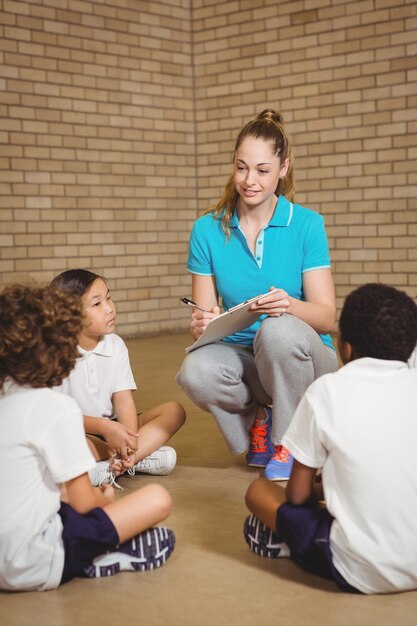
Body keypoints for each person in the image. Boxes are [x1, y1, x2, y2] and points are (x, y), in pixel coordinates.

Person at [176, 109, 338, 480]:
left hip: (306, 358)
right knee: (196, 371)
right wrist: (203, 321)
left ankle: (291, 445)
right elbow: (203, 325)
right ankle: (258, 421)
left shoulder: (307, 224)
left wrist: (291, 306)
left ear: (283, 168)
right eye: (241, 167)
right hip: (245, 358)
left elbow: (326, 317)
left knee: (277, 330)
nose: (249, 181)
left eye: (262, 170)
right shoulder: (207, 230)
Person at [243, 283, 417, 594]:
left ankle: (287, 541)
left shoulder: (328, 390)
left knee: (258, 492)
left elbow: (296, 495)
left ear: (345, 348)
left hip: (361, 570)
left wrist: (323, 489)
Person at [0, 284, 175, 592]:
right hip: (31, 563)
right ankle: (101, 554)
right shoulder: (55, 408)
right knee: (157, 499)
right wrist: (103, 498)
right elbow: (83, 504)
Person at [51, 269, 186, 486]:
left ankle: (119, 462)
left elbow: (123, 400)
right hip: (78, 430)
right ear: (69, 315)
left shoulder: (115, 344)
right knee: (62, 443)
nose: (109, 308)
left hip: (114, 428)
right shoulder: (55, 353)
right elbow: (55, 416)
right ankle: (134, 460)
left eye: (108, 298)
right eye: (97, 304)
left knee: (174, 411)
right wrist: (106, 430)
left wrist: (129, 439)